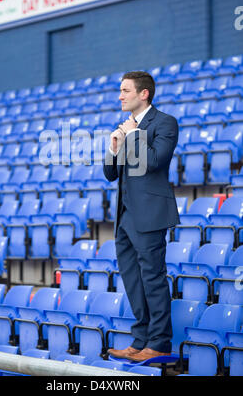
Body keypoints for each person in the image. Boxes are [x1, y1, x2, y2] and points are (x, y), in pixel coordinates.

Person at [103, 71, 180, 361]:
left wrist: (134, 135)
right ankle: (140, 340)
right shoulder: (125, 127)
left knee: (152, 278)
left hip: (149, 214)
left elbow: (156, 161)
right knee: (133, 279)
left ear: (143, 93)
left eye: (125, 90)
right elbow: (111, 174)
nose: (120, 96)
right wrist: (114, 148)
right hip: (125, 217)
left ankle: (159, 343)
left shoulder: (165, 123)